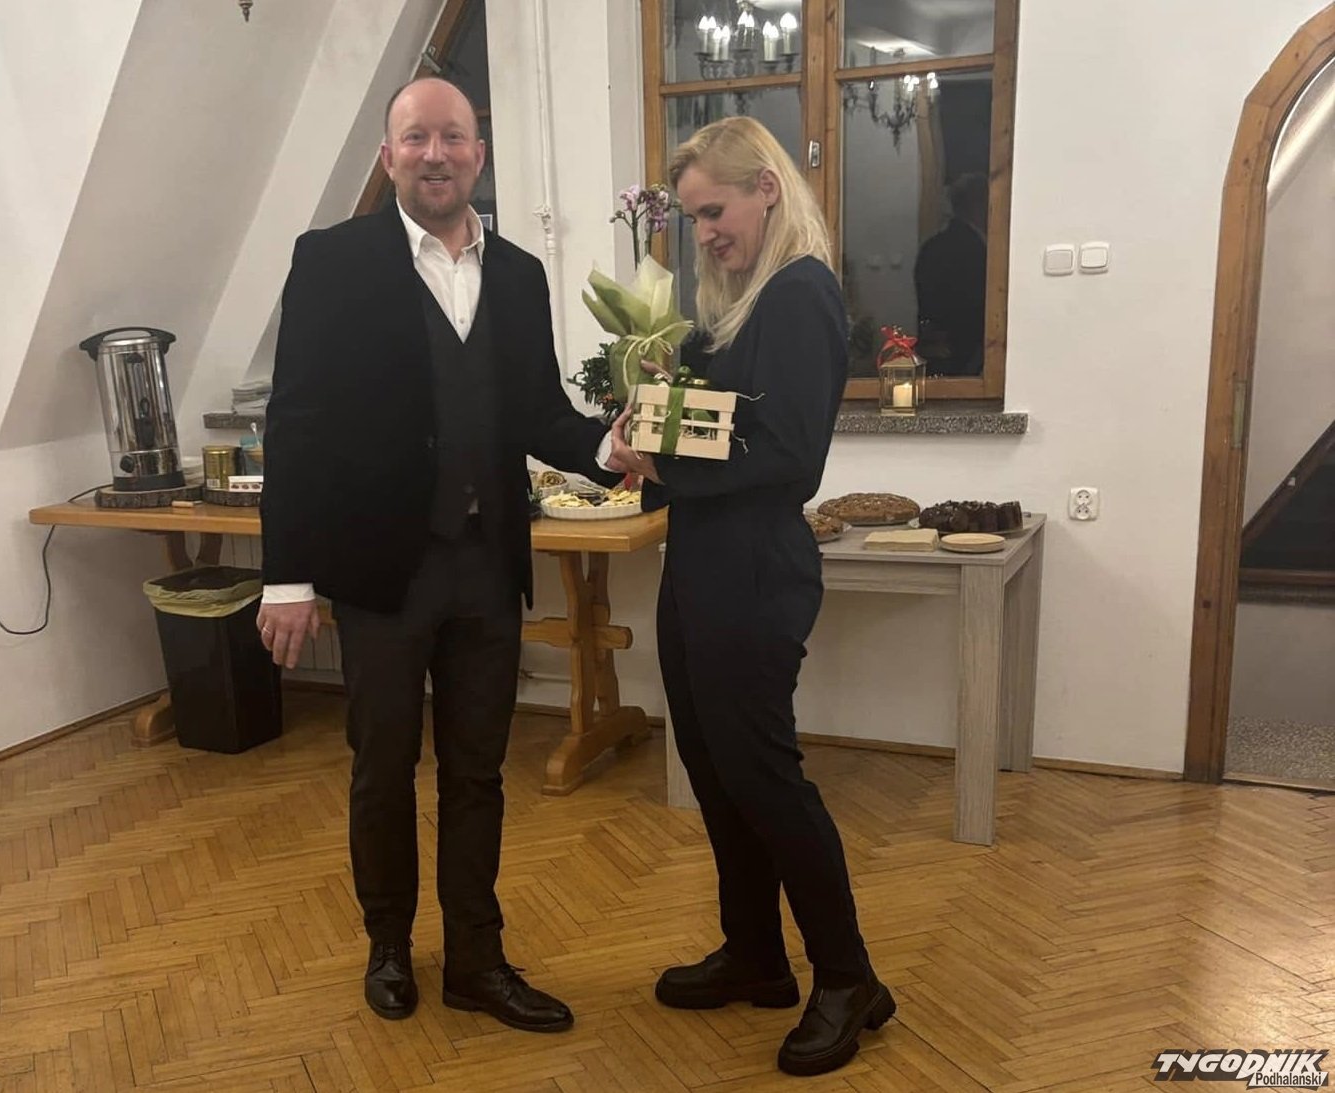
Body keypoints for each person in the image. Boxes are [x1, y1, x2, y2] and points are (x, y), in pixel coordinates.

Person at [257, 76, 633, 1033]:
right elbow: (295, 425)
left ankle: (476, 957)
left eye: (453, 137)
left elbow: (538, 411)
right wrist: (286, 576)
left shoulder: (518, 274)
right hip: (382, 569)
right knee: (381, 768)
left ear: (478, 153)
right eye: (416, 137)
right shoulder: (331, 260)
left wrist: (606, 447)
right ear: (388, 156)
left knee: (477, 772)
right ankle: (388, 943)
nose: (435, 154)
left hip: (485, 566)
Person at [608, 116, 892, 1078]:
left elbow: (788, 457)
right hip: (701, 563)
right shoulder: (741, 305)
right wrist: (647, 412)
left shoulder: (801, 292)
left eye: (713, 211)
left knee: (764, 777)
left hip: (755, 570)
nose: (704, 233)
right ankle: (756, 954)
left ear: (766, 188)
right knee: (715, 766)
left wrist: (661, 463)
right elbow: (720, 426)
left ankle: (848, 977)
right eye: (691, 218)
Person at [914, 171, 988, 376]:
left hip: (939, 349)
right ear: (977, 205)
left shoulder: (933, 246)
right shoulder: (972, 250)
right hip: (964, 354)